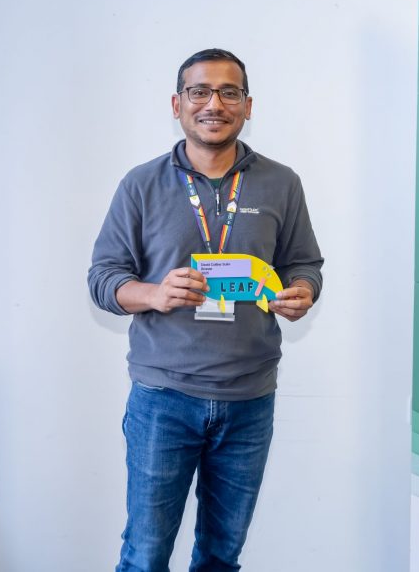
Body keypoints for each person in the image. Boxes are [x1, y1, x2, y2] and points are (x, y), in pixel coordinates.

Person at [89, 48, 323, 571]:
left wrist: (303, 291)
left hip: (249, 400)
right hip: (163, 400)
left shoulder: (280, 182)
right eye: (200, 91)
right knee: (145, 555)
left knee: (221, 555)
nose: (214, 103)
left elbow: (305, 263)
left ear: (248, 105)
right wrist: (152, 293)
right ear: (177, 104)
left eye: (229, 92)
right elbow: (103, 279)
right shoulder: (141, 184)